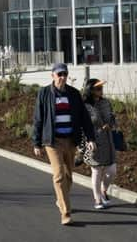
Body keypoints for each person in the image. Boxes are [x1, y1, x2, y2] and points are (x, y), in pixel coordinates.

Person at [32, 63, 96, 225]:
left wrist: (90, 138)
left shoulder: (74, 94)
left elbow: (84, 118)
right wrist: (36, 143)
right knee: (59, 175)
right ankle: (65, 213)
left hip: (70, 140)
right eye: (59, 74)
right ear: (52, 75)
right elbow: (38, 119)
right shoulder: (44, 93)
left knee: (69, 177)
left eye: (64, 74)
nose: (62, 77)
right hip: (53, 141)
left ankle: (61, 199)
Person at [82, 78, 117, 210]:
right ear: (90, 90)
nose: (101, 90)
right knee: (96, 170)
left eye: (101, 88)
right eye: (98, 88)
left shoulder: (106, 103)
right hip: (93, 141)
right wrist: (88, 140)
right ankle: (97, 199)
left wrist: (111, 124)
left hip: (108, 140)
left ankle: (104, 190)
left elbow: (113, 117)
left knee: (111, 171)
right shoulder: (85, 106)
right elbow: (83, 124)